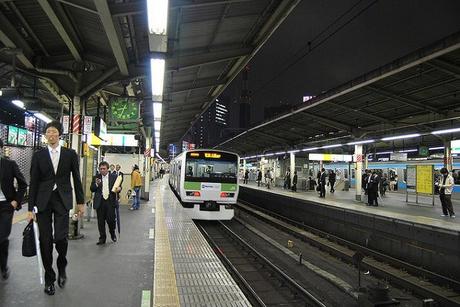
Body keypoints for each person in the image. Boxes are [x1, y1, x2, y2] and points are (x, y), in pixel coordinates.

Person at [28, 121, 85, 295]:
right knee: (45, 242)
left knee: (61, 238)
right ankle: (49, 279)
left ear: (59, 134)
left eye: (54, 132)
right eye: (48, 132)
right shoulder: (38, 156)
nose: (51, 135)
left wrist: (80, 203)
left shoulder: (70, 154)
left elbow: (76, 178)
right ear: (45, 136)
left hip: (62, 199)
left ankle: (62, 265)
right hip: (43, 201)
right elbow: (34, 182)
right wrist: (30, 209)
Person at [0, 139, 27, 280]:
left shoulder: (9, 164)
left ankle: (3, 266)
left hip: (6, 206)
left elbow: (23, 184)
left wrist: (16, 201)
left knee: (2, 236)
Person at [91, 162, 121, 244]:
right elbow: (92, 189)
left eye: (104, 169)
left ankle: (112, 233)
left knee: (111, 220)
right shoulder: (96, 177)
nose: (102, 170)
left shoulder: (114, 177)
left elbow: (118, 187)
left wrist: (119, 189)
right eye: (100, 169)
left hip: (110, 201)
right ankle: (102, 238)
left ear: (107, 169)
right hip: (100, 202)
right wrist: (96, 184)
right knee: (100, 221)